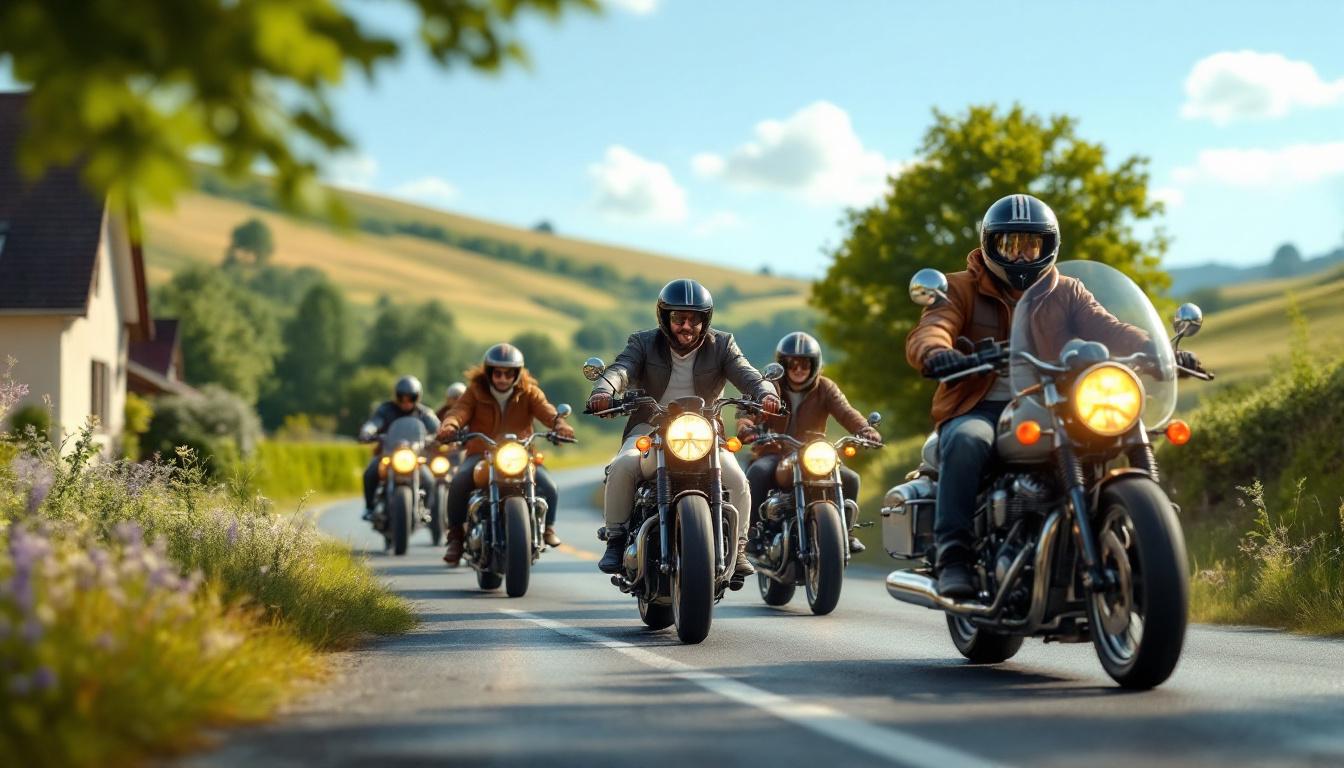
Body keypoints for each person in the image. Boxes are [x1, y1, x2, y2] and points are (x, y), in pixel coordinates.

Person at [905, 193, 1205, 599]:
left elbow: (1110, 328)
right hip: (982, 405)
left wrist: (1159, 351)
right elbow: (934, 327)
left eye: (1031, 244)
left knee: (1116, 427)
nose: (1021, 255)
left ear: (1049, 246)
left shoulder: (1066, 290)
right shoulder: (959, 288)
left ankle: (1141, 537)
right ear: (990, 245)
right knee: (967, 440)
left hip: (1054, 401)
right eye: (1010, 244)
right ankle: (953, 555)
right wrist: (936, 353)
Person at [586, 278, 782, 583]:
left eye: (694, 319)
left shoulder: (723, 345)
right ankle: (615, 539)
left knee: (737, 479)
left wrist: (765, 393)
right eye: (679, 318)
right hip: (650, 426)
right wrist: (604, 390)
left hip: (704, 430)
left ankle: (739, 548)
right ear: (665, 318)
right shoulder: (643, 342)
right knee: (623, 465)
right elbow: (620, 369)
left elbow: (748, 374)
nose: (687, 326)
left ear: (705, 320)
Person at [737, 332, 881, 553]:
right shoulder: (771, 386)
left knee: (851, 478)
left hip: (812, 452)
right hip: (774, 450)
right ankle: (753, 534)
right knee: (758, 472)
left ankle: (846, 531)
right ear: (783, 365)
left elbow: (846, 412)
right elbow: (749, 411)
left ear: (815, 365)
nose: (798, 369)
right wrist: (746, 427)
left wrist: (865, 429)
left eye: (805, 364)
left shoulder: (825, 387)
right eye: (792, 364)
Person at [437, 343, 575, 565]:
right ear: (489, 372)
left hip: (520, 455)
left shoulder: (529, 392)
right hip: (482, 453)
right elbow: (459, 411)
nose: (502, 378)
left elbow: (546, 410)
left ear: (517, 373)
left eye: (508, 373)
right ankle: (455, 538)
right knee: (459, 482)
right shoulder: (475, 392)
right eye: (497, 373)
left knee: (549, 486)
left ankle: (547, 528)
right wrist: (450, 425)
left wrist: (559, 424)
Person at [358, 375, 440, 523]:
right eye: (402, 398)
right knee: (370, 473)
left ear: (417, 397)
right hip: (387, 455)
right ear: (396, 397)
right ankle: (369, 508)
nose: (406, 402)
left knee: (429, 480)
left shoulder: (423, 413)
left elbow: (436, 427)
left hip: (414, 457)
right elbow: (374, 422)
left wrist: (439, 435)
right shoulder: (385, 410)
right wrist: (367, 431)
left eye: (411, 398)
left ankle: (425, 510)